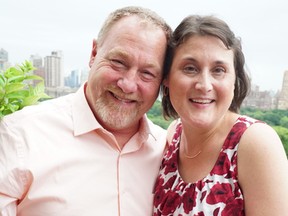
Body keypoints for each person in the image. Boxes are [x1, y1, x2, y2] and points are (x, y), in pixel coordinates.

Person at [0, 6, 172, 216]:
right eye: (118, 62)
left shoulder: (169, 151)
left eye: (147, 73)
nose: (127, 85)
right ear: (93, 53)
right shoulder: (19, 137)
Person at [153, 15, 288, 215]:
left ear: (235, 81)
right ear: (166, 77)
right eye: (190, 68)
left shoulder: (254, 143)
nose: (204, 85)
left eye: (219, 70)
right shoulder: (173, 135)